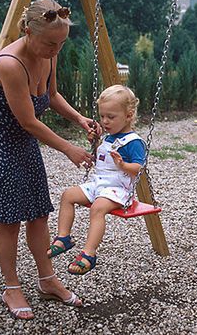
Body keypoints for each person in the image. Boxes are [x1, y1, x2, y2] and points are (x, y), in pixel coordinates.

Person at [0, 0, 100, 320]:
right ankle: (11, 287)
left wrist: (79, 119)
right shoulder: (9, 64)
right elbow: (27, 120)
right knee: (9, 219)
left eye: (62, 43)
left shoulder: (47, 54)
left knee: (38, 214)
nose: (56, 49)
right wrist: (68, 148)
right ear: (28, 31)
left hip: (22, 140)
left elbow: (50, 97)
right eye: (51, 43)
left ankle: (47, 279)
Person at [47, 85, 145, 275]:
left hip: (118, 190)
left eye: (111, 117)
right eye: (102, 116)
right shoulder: (108, 138)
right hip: (99, 185)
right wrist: (95, 143)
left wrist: (123, 165)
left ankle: (89, 253)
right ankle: (63, 237)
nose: (105, 121)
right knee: (68, 195)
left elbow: (139, 169)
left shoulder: (134, 142)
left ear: (129, 115)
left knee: (98, 208)